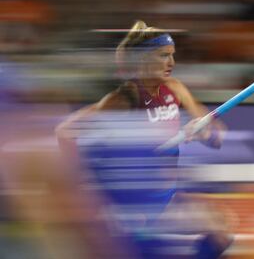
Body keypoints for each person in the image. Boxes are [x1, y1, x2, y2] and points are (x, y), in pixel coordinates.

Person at [56, 20, 232, 259]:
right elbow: (66, 131)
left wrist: (204, 132)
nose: (171, 63)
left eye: (172, 55)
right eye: (163, 56)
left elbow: (217, 136)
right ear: (143, 59)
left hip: (166, 196)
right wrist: (81, 188)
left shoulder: (175, 89)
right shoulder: (123, 99)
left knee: (221, 233)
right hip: (132, 204)